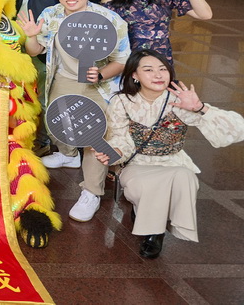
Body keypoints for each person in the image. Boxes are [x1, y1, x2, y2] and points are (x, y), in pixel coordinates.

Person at [94, 50, 244, 258]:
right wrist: (116, 152)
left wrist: (200, 108)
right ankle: (145, 213)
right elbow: (120, 140)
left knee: (185, 176)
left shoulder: (179, 100)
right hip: (138, 164)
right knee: (143, 185)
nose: (158, 75)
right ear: (134, 75)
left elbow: (237, 130)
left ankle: (155, 233)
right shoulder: (122, 102)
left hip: (173, 162)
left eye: (163, 69)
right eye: (148, 70)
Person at [18, 0, 130, 223]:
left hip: (99, 85)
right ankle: (68, 155)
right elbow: (35, 51)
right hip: (63, 79)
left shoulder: (109, 20)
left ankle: (91, 191)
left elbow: (123, 60)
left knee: (94, 135)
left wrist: (100, 74)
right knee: (58, 121)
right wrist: (32, 36)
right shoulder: (51, 14)